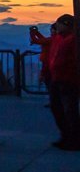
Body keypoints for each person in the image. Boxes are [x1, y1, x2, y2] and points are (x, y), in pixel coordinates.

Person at [36, 15, 77, 150]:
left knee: (69, 110)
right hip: (56, 78)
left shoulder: (73, 40)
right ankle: (66, 136)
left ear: (66, 25)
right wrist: (46, 71)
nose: (56, 26)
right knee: (57, 108)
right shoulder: (57, 39)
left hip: (69, 79)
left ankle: (73, 139)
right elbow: (51, 56)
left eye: (59, 24)